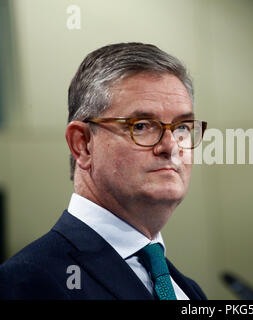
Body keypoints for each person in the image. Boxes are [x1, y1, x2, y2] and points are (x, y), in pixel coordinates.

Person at [0, 42, 208, 300]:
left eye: (182, 128)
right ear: (83, 144)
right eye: (142, 125)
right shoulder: (29, 282)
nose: (170, 146)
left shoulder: (190, 292)